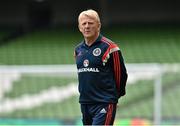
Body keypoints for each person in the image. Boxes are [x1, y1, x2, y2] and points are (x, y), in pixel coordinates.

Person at [74, 9, 128, 125]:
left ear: (98, 26)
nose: (87, 26)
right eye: (84, 23)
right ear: (79, 27)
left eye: (90, 23)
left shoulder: (110, 47)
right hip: (85, 103)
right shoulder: (78, 50)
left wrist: (113, 97)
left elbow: (121, 75)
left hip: (104, 102)